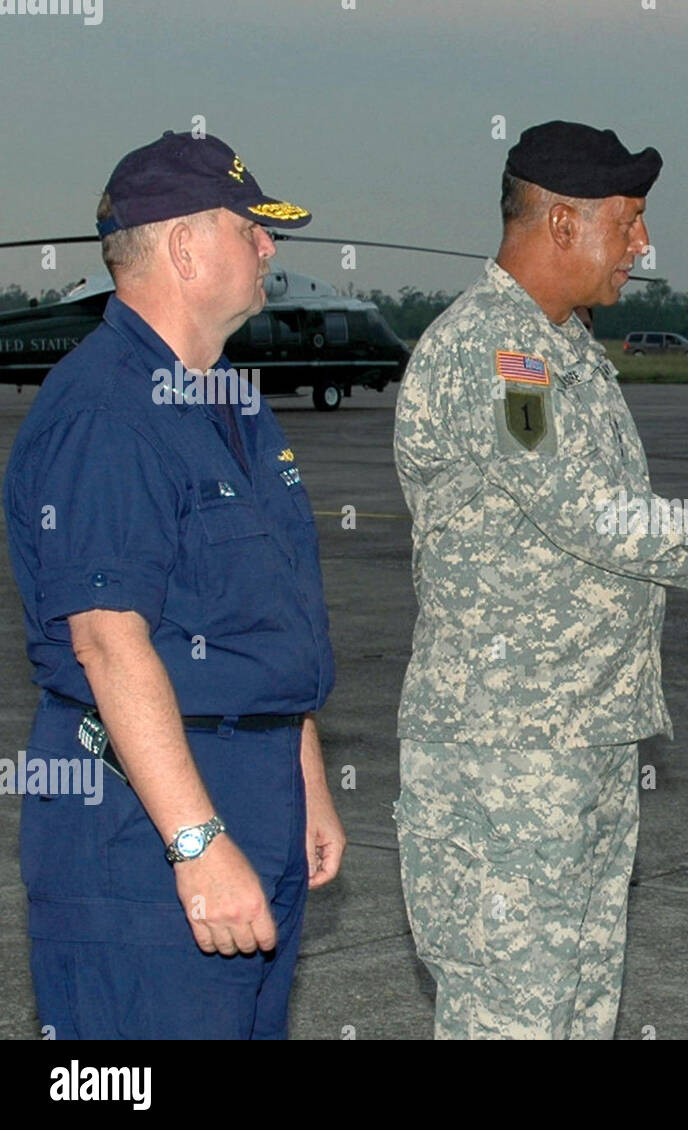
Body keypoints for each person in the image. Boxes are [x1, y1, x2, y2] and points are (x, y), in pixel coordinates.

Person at [393, 119, 688, 1040]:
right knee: (510, 1018)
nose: (643, 245)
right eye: (630, 222)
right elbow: (592, 512)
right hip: (505, 753)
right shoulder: (494, 348)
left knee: (577, 1012)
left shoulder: (565, 349)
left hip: (582, 736)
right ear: (563, 223)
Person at [4, 131, 346, 1039]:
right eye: (251, 230)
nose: (269, 248)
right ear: (184, 247)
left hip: (255, 788)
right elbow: (109, 642)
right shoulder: (108, 411)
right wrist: (195, 842)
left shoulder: (229, 399)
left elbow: (264, 611)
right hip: (144, 825)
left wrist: (301, 767)